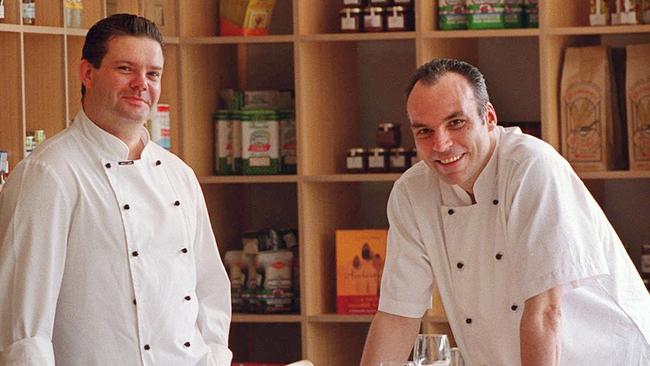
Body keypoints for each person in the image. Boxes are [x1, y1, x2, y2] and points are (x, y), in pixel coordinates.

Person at [360, 58, 650, 366]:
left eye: (456, 123)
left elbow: (545, 311)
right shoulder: (412, 192)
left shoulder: (530, 167)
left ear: (488, 117)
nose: (441, 144)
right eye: (424, 131)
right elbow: (396, 315)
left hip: (609, 355)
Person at [0, 14, 232, 366]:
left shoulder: (178, 175)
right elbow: (25, 326)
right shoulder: (50, 173)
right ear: (87, 73)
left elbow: (210, 291)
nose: (142, 84)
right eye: (126, 68)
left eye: (153, 74)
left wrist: (215, 358)